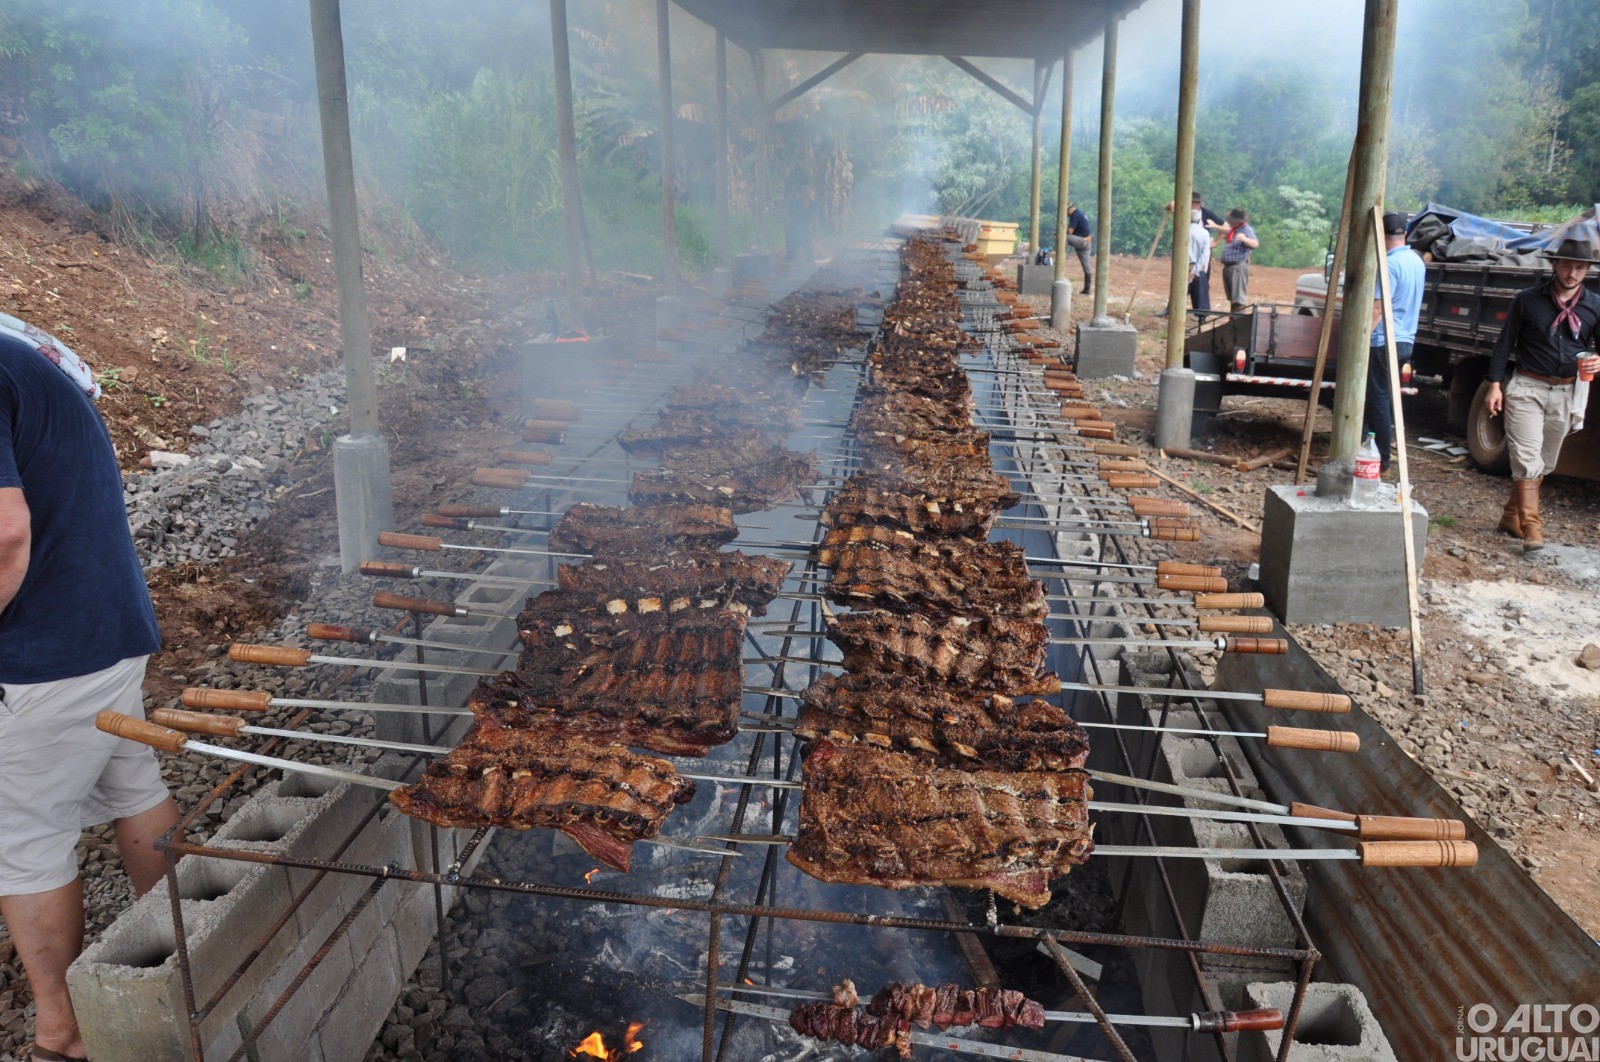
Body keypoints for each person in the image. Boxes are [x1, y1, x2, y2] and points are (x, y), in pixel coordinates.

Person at [0, 319, 179, 1062]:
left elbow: (6, 533)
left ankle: (62, 1033)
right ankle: (182, 959)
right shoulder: (12, 353)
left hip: (43, 659)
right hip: (107, 627)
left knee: (23, 836)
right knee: (129, 779)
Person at [1482, 237, 1600, 551]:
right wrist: (1495, 384)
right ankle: (1533, 528)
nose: (1572, 273)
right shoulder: (1527, 299)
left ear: (1587, 269)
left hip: (1566, 390)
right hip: (1526, 387)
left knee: (1545, 462)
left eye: (1579, 267)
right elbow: (1504, 343)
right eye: (1566, 265)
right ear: (1554, 265)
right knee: (1526, 457)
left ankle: (1510, 517)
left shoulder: (1594, 305)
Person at [1363, 211, 1426, 474]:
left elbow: (1377, 309)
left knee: (1377, 399)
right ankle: (1367, 449)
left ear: (1381, 235)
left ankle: (1382, 460)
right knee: (1382, 396)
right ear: (1405, 234)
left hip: (1383, 340)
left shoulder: (1389, 264)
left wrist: (1362, 339)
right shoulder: (1417, 261)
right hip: (1405, 341)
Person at [1219, 208, 1259, 311]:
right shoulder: (1234, 230)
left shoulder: (1246, 230)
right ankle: (1233, 323)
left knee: (1239, 299)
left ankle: (1239, 322)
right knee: (1233, 298)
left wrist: (1245, 239)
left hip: (1238, 267)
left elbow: (1255, 244)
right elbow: (1226, 230)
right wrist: (1215, 226)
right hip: (1229, 267)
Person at [1187, 208, 1212, 317]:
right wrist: (1195, 271)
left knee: (1179, 297)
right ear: (1199, 220)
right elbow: (1204, 255)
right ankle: (1200, 322)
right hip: (1198, 269)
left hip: (1183, 268)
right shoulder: (1204, 233)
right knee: (1200, 300)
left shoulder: (1183, 230)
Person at [1064, 201, 1093, 294]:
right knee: (1087, 268)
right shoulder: (1080, 214)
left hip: (1082, 241)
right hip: (1086, 242)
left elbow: (1069, 232)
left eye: (1066, 211)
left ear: (1070, 209)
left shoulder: (1075, 215)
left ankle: (1060, 259)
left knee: (1062, 237)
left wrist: (1061, 231)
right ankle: (1087, 289)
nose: (1066, 214)